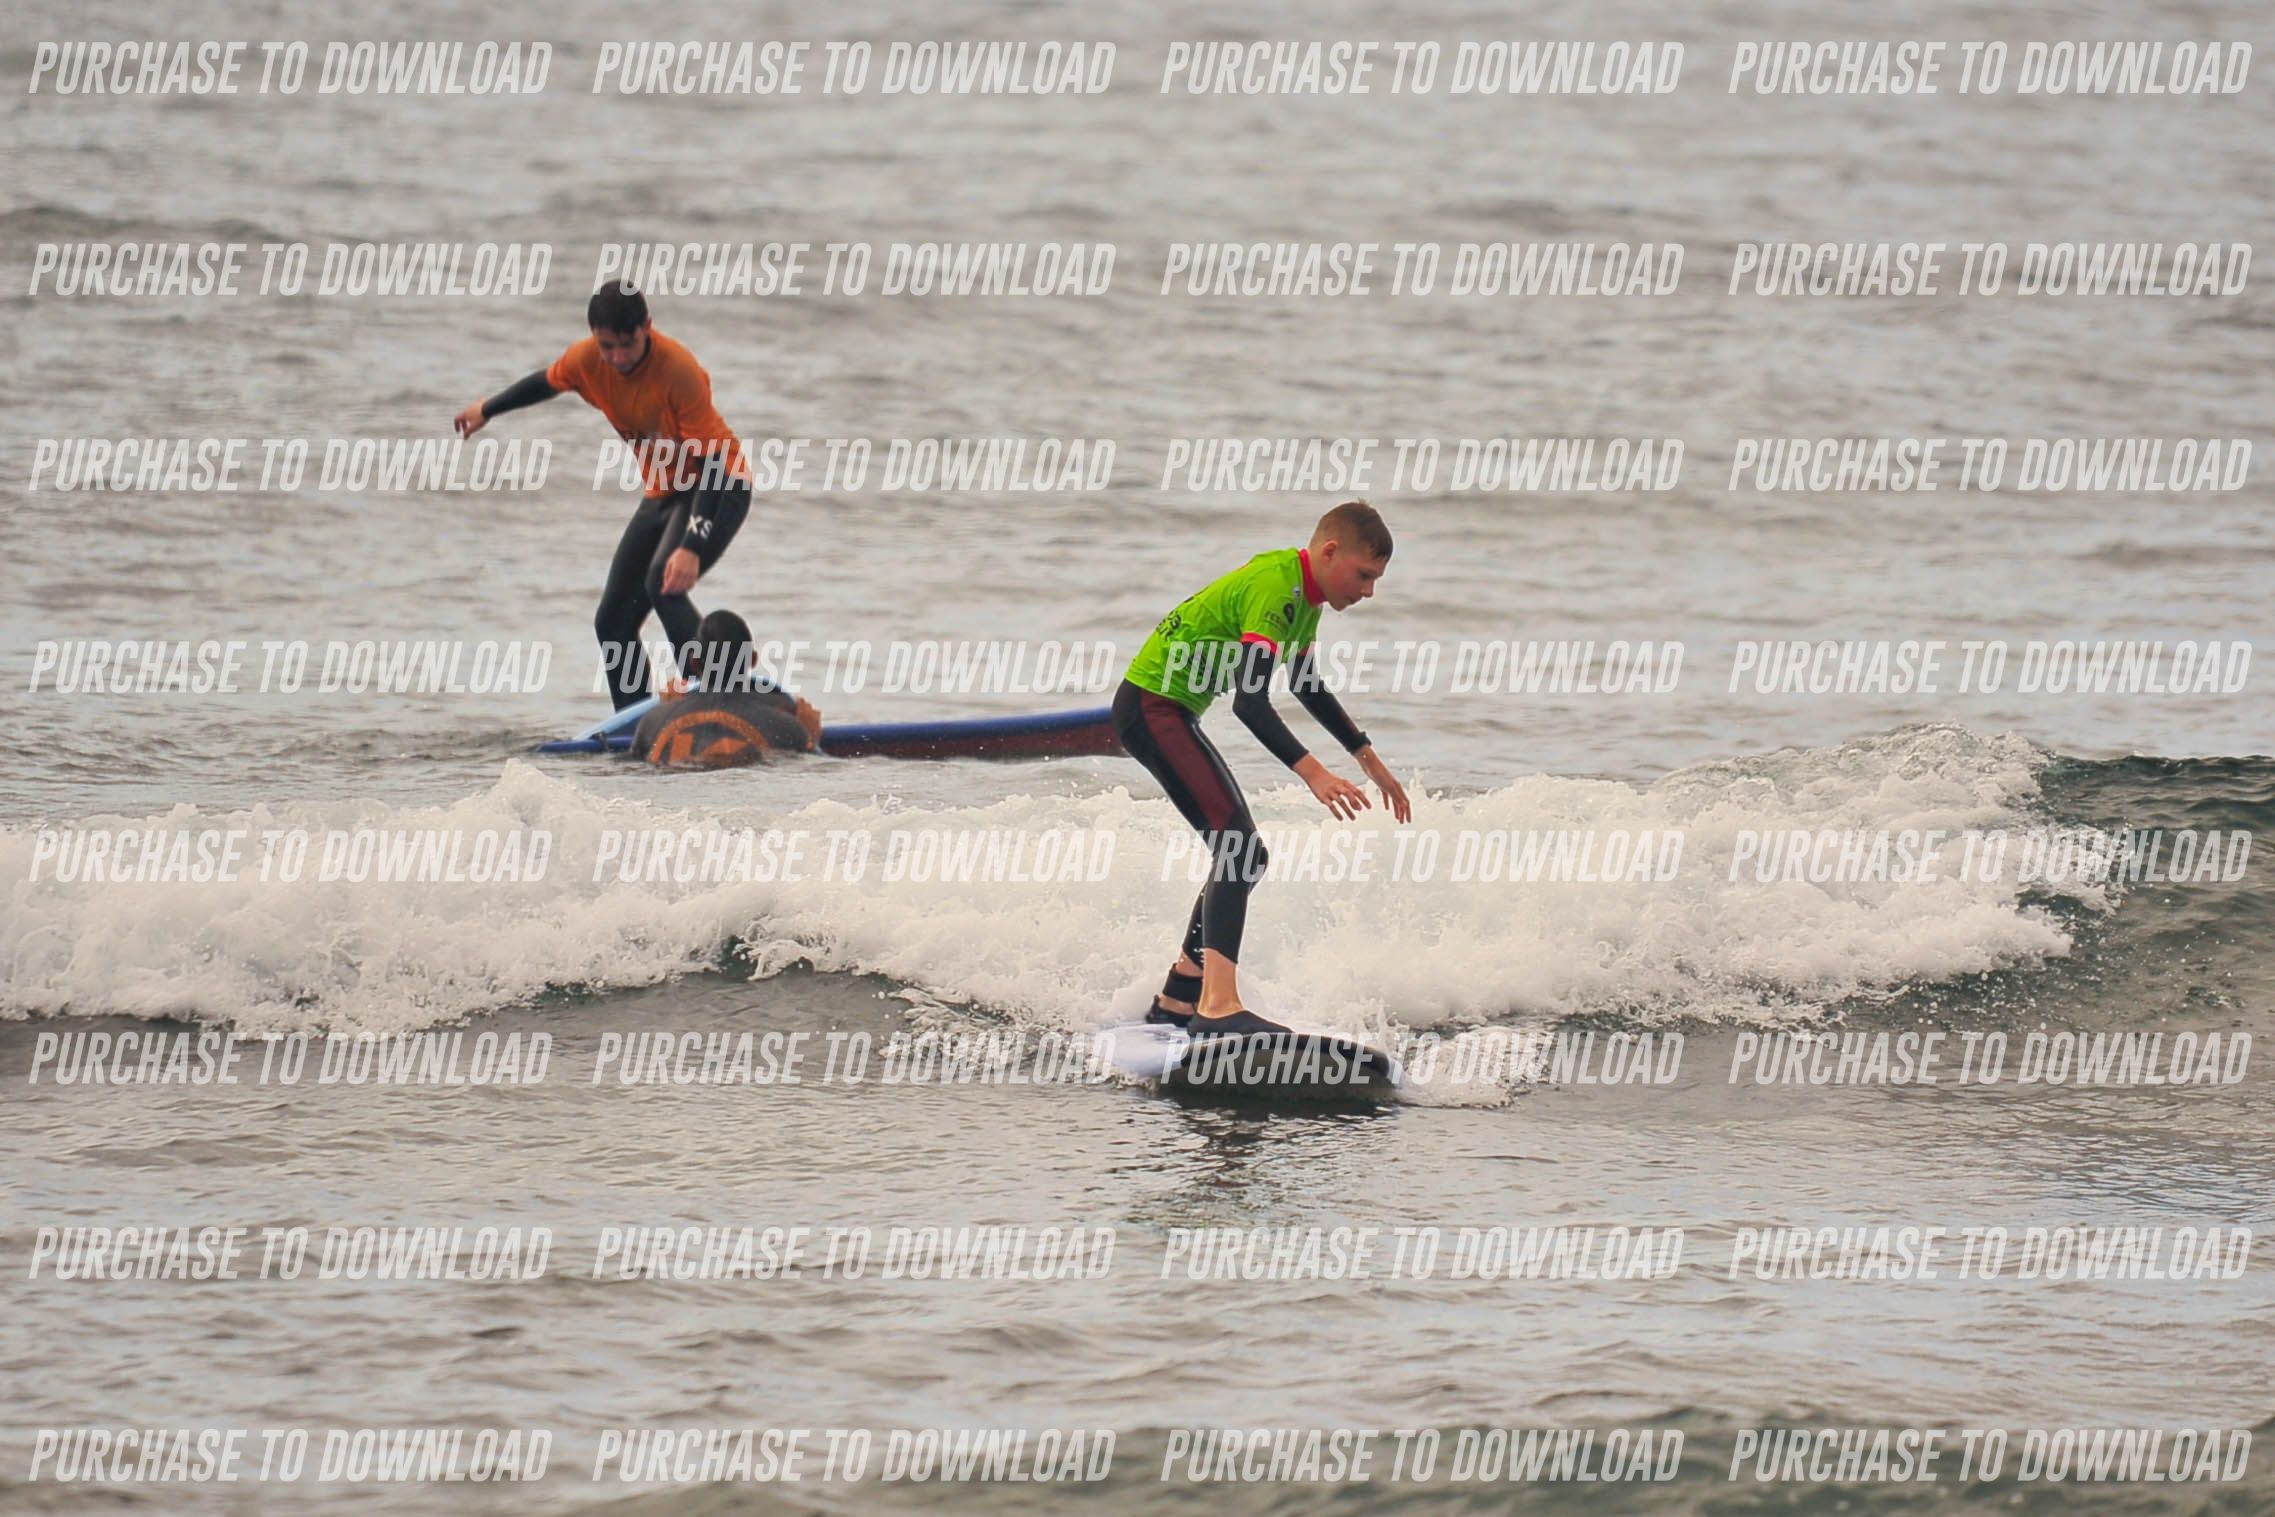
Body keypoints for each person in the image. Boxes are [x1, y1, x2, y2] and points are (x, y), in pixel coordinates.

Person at [1114, 500, 1411, 1037]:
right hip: (1153, 708)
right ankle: (1217, 1007)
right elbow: (1249, 703)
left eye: (1376, 580)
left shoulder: (1305, 598)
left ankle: (1179, 998)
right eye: (1364, 575)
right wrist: (1314, 773)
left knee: (1245, 855)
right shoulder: (1277, 587)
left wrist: (1369, 760)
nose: (1368, 591)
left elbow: (1306, 685)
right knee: (1239, 849)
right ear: (1329, 551)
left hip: (1170, 711)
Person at [454, 281, 753, 710]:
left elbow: (711, 465)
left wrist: (691, 545)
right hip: (664, 491)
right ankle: (634, 723)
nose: (617, 358)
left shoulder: (679, 371)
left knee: (664, 582)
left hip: (720, 485)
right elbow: (545, 382)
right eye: (607, 346)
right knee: (611, 621)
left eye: (627, 345)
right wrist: (487, 409)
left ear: (647, 328)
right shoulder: (587, 360)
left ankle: (723, 698)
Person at [630, 610, 822, 767]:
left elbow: (633, 770)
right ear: (753, 660)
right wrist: (810, 738)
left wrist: (668, 712)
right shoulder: (786, 727)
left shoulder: (652, 722)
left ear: (694, 662)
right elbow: (814, 769)